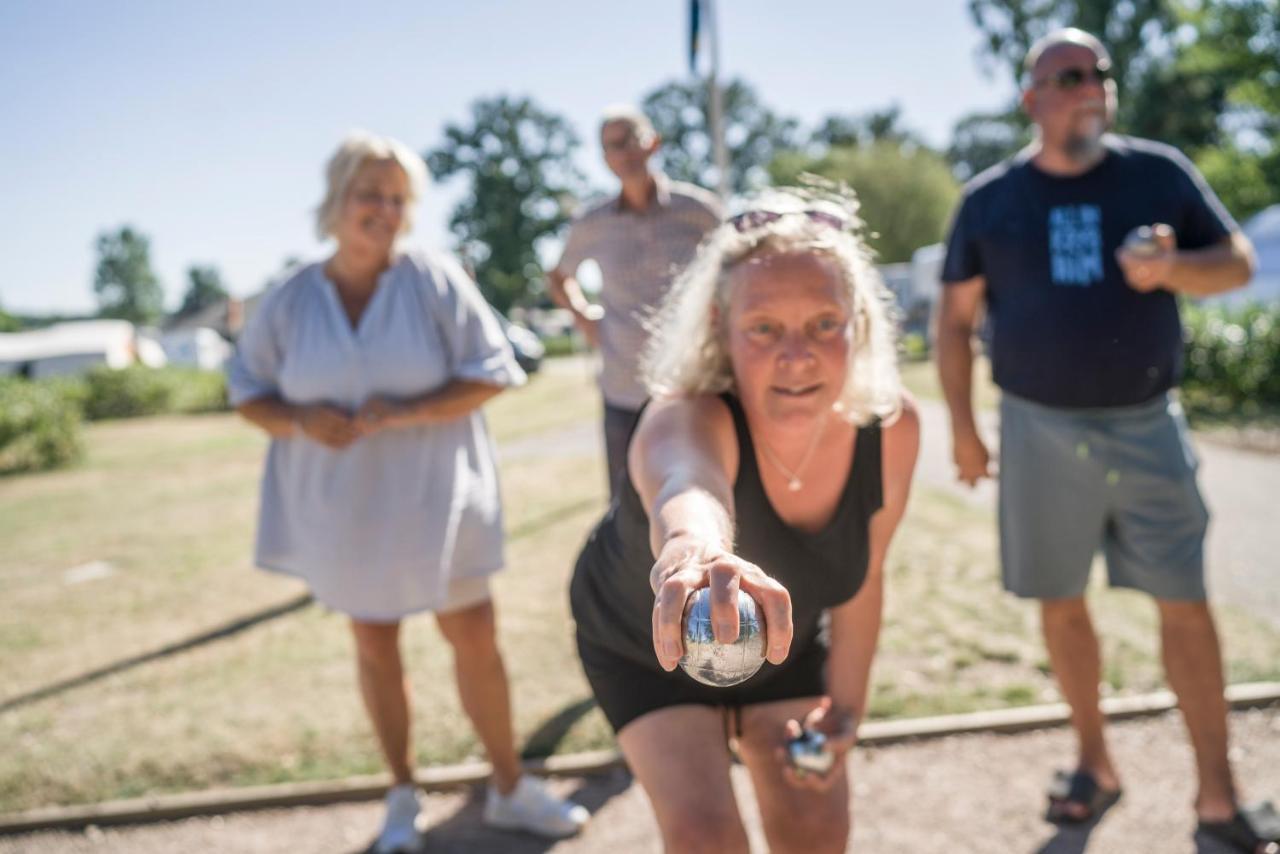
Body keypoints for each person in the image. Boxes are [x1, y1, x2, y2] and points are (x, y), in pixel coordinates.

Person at [936, 28, 1278, 853]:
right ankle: (1095, 763)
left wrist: (1171, 271)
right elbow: (954, 322)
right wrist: (964, 431)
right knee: (1061, 602)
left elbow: (1233, 264)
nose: (1090, 85)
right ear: (1032, 100)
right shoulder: (989, 199)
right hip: (1037, 427)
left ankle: (1217, 797)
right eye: (1068, 75)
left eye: (1100, 73)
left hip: (1147, 421)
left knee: (1185, 603)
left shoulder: (1157, 173)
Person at [227, 131, 588, 852]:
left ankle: (510, 786)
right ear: (337, 199)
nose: (386, 211)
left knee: (474, 637)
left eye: (398, 199)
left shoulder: (432, 279)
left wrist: (409, 411)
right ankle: (401, 797)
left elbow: (493, 370)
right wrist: (299, 418)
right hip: (345, 510)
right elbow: (246, 389)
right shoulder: (292, 298)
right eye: (372, 195)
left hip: (439, 499)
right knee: (374, 641)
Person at [570, 183, 920, 853]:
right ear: (719, 332)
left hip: (781, 641)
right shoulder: (683, 415)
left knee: (817, 827)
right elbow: (689, 484)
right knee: (706, 836)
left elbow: (866, 576)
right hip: (641, 644)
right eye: (763, 328)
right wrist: (697, 552)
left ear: (861, 323)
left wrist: (845, 709)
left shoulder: (893, 429)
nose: (797, 355)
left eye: (824, 322)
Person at [548, 104, 722, 499]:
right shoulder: (591, 223)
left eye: (631, 141)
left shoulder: (698, 211)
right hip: (624, 388)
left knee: (707, 494)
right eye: (611, 146)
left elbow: (737, 268)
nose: (623, 153)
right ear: (604, 158)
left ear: (653, 144)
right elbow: (559, 277)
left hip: (695, 384)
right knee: (627, 510)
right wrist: (584, 319)